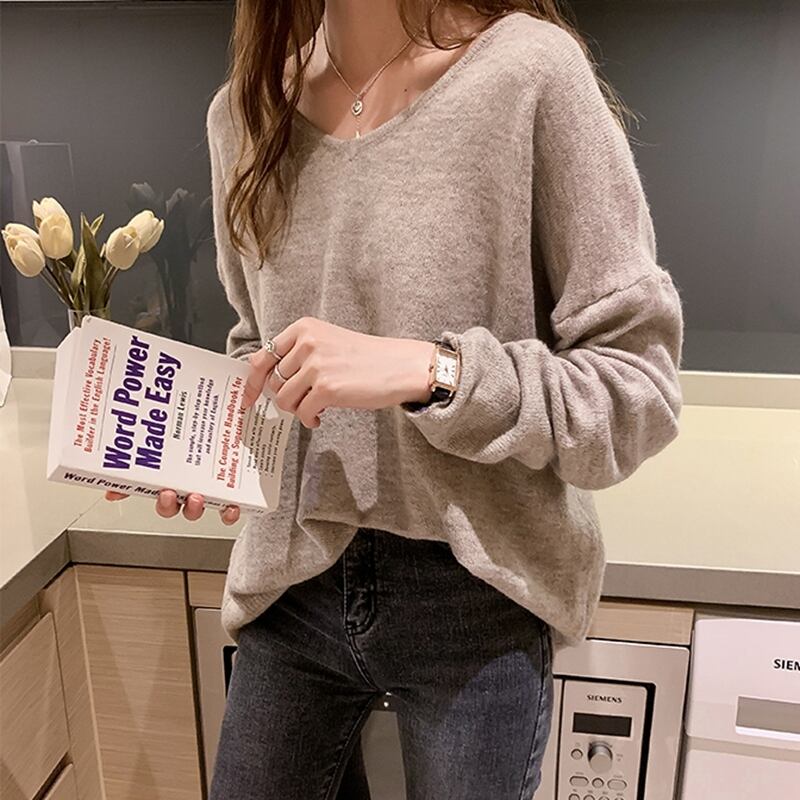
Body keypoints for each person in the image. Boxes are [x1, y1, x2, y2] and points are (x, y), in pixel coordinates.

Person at [106, 1, 685, 797]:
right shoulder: (245, 113)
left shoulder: (529, 75)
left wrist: (434, 371)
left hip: (477, 591)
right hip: (289, 582)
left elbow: (636, 390)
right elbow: (258, 343)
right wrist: (212, 444)